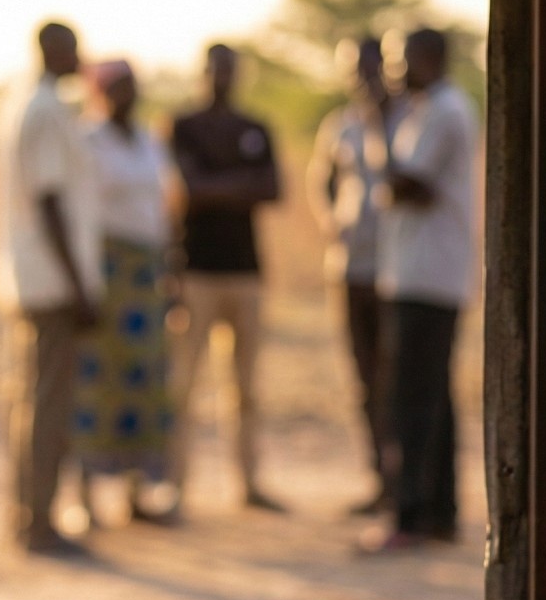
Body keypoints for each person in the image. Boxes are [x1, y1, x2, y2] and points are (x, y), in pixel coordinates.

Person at [0, 21, 102, 554]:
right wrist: (80, 285)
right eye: (73, 48)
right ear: (52, 50)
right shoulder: (48, 109)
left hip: (24, 274)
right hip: (50, 279)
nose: (80, 57)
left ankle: (26, 514)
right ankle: (40, 522)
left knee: (29, 400)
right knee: (48, 403)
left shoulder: (17, 104)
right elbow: (52, 201)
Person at [368, 27, 479, 550]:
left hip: (428, 275)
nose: (393, 70)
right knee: (432, 397)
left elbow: (406, 185)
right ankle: (439, 513)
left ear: (427, 58)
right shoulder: (427, 110)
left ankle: (410, 516)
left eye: (400, 60)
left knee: (412, 399)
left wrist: (375, 119)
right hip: (421, 271)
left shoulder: (443, 111)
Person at [167, 43, 284, 512]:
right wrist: (241, 184)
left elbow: (274, 189)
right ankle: (175, 487)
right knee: (182, 386)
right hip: (195, 271)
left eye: (229, 70)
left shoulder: (255, 127)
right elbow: (184, 192)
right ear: (202, 73)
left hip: (246, 272)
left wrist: (211, 187)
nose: (222, 78)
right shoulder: (181, 126)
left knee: (247, 389)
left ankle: (248, 485)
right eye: (215, 70)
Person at [73, 59, 181, 523]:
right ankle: (85, 497)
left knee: (146, 380)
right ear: (99, 91)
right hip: (106, 269)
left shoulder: (149, 140)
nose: (127, 95)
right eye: (117, 87)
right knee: (95, 382)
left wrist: (172, 267)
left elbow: (165, 205)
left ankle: (137, 493)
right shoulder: (86, 139)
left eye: (132, 86)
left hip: (147, 273)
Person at [306, 37, 404, 515]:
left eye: (368, 69)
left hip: (395, 267)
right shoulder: (339, 126)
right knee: (365, 378)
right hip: (350, 266)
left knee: (396, 377)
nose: (361, 79)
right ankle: (379, 478)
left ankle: (404, 479)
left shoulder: (404, 120)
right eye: (354, 71)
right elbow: (320, 179)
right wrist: (331, 222)